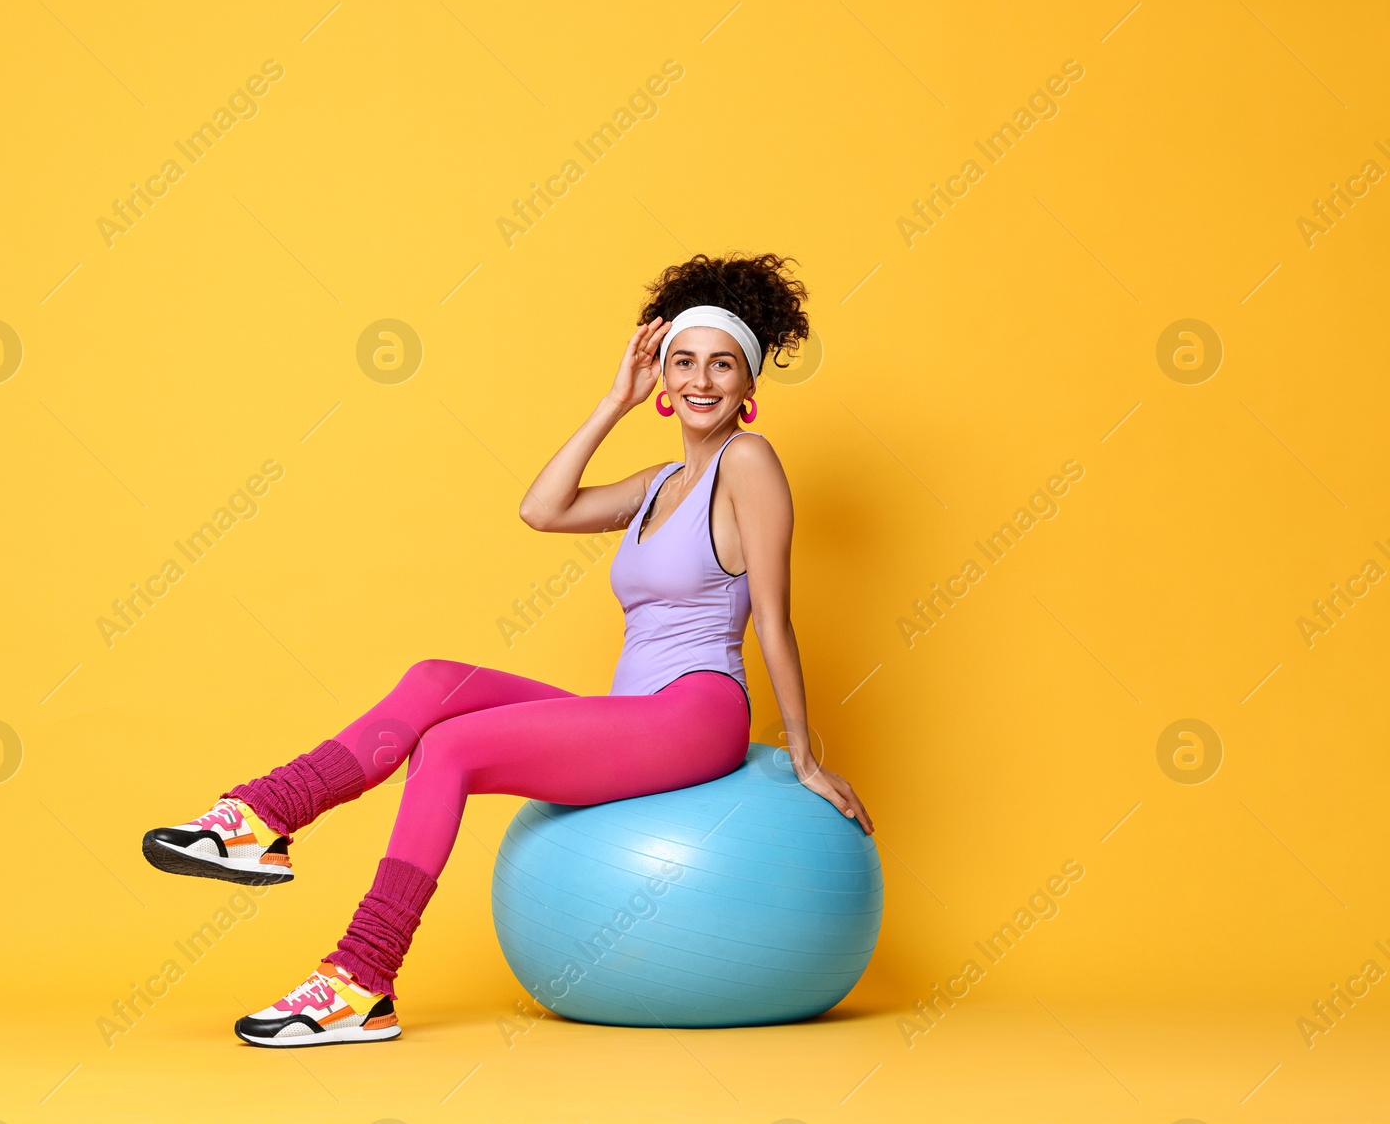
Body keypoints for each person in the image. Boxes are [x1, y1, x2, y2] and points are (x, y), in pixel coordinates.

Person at [141, 252, 874, 1047]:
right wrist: (612, 402)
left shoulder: (749, 464)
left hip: (697, 712)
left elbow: (774, 618)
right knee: (434, 682)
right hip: (634, 714)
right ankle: (262, 816)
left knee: (451, 747)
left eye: (721, 364)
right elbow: (541, 508)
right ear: (660, 376)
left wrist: (804, 756)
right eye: (682, 361)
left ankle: (360, 979)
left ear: (748, 383)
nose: (701, 381)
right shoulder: (657, 482)